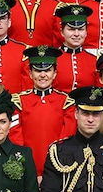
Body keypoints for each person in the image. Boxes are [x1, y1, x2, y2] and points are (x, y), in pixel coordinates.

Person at [9, 46, 76, 177]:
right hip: (27, 168)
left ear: (55, 73)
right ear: (30, 73)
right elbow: (16, 138)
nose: (43, 75)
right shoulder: (19, 101)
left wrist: (55, 168)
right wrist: (26, 167)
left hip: (58, 167)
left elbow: (66, 138)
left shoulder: (66, 102)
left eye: (48, 70)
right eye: (37, 70)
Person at [52, 4, 99, 92]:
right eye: (71, 29)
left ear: (86, 32)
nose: (76, 34)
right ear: (62, 32)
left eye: (81, 29)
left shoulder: (94, 60)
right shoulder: (53, 59)